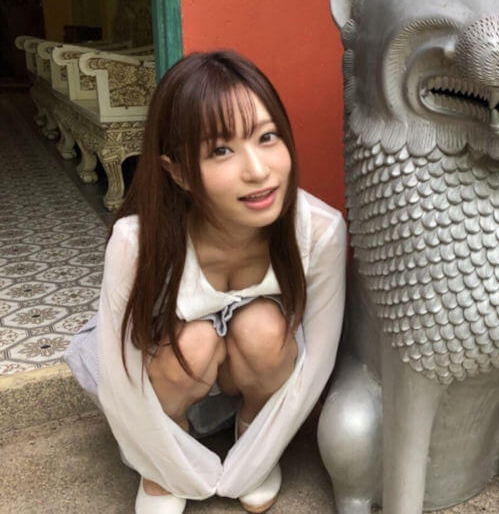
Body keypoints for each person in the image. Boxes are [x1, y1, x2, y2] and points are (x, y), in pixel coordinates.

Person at [65, 51, 346, 514]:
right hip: (164, 380)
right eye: (221, 150)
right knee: (191, 344)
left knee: (265, 329)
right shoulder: (138, 241)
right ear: (177, 171)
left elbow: (316, 362)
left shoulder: (318, 230)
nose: (258, 170)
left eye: (267, 137)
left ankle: (250, 429)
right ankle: (166, 459)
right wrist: (167, 468)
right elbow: (120, 376)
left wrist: (252, 462)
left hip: (246, 376)